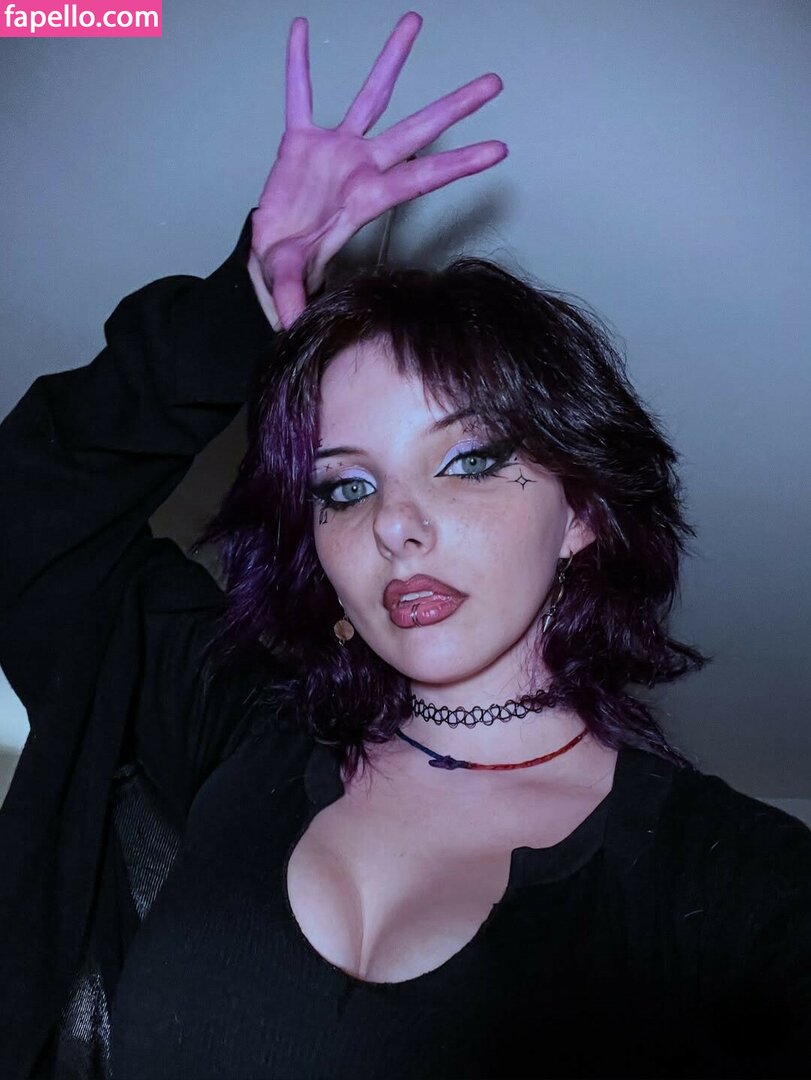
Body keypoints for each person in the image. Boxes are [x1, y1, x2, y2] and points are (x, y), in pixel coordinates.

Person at [0, 11, 808, 1080]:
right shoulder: (236, 727)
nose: (392, 522)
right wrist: (240, 303)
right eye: (344, 486)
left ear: (583, 514)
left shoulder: (737, 884)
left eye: (467, 461)